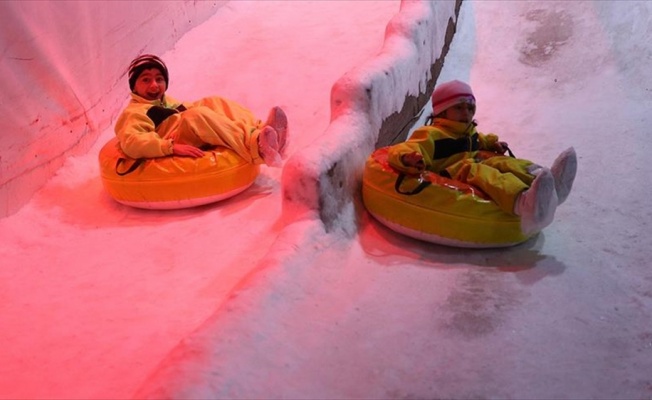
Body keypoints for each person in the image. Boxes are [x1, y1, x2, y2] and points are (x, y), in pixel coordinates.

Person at [387, 80, 577, 235]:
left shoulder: (468, 131)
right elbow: (406, 147)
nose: (466, 113)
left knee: (499, 161)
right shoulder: (431, 134)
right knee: (481, 170)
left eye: (470, 108)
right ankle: (522, 200)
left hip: (471, 163)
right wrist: (407, 157)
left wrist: (492, 144)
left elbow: (479, 140)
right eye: (459, 108)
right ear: (443, 111)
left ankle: (546, 180)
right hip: (452, 172)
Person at [114, 54, 288, 168]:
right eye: (145, 80)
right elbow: (132, 141)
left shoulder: (165, 102)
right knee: (195, 116)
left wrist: (208, 106)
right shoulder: (134, 113)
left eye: (159, 79)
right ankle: (258, 146)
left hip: (184, 131)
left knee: (213, 101)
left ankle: (264, 133)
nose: (154, 85)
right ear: (134, 87)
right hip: (174, 142)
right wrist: (170, 147)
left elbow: (184, 110)